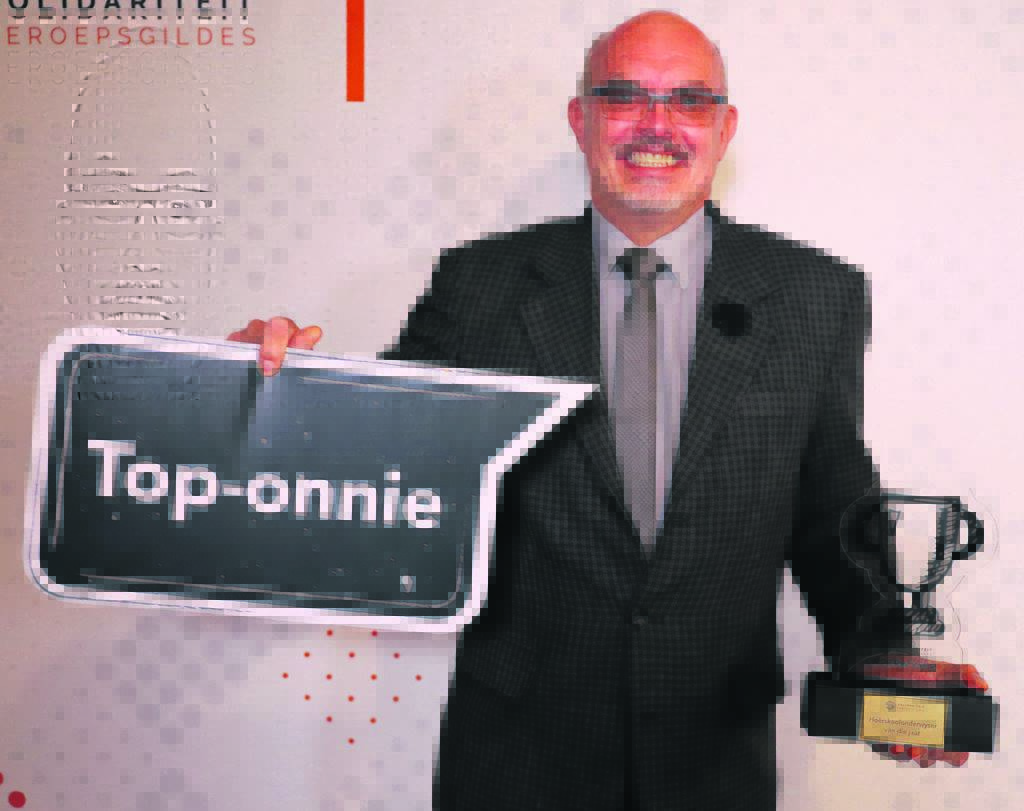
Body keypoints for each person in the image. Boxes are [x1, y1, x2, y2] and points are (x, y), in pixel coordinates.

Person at [229, 11, 987, 809]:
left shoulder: (815, 296)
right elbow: (378, 456)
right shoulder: (480, 285)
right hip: (517, 760)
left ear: (724, 128)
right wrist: (270, 393)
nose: (657, 124)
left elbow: (833, 514)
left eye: (688, 100)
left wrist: (885, 657)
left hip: (715, 762)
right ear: (579, 119)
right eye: (624, 95)